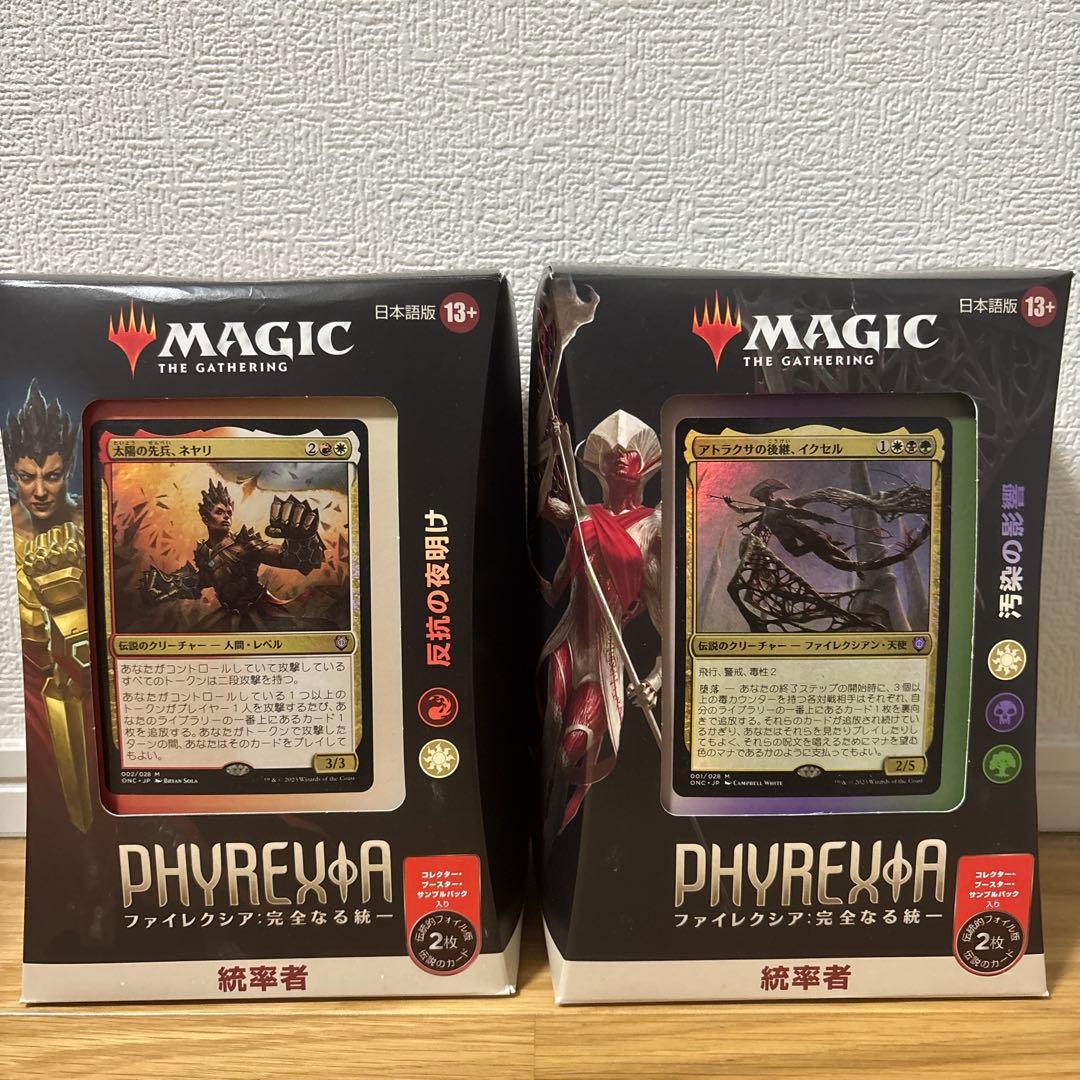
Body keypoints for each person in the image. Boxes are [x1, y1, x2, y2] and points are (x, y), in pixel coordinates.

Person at [537, 410, 662, 834]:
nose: (620, 457)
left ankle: (558, 829)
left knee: (568, 749)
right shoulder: (582, 514)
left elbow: (665, 619)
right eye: (611, 454)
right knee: (550, 728)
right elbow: (543, 507)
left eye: (628, 453)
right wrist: (553, 450)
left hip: (607, 659)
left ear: (644, 465)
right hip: (567, 642)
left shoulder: (654, 527)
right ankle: (542, 833)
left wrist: (655, 681)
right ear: (600, 466)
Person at [141, 480, 326, 631]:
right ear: (206, 519)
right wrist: (171, 585)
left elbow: (284, 557)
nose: (226, 516)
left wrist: (301, 539)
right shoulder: (205, 553)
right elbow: (208, 577)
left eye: (229, 512)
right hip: (229, 614)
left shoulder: (244, 543)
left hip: (260, 610)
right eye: (219, 512)